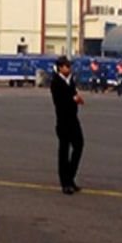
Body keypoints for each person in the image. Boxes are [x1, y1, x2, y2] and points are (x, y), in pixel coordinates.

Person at [50, 56, 84, 195]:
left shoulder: (71, 81)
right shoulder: (56, 82)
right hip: (63, 121)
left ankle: (70, 177)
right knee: (64, 151)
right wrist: (73, 99)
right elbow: (60, 102)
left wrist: (77, 98)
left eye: (70, 66)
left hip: (73, 120)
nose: (69, 69)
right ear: (60, 67)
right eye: (67, 66)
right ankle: (65, 182)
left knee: (79, 145)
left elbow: (74, 94)